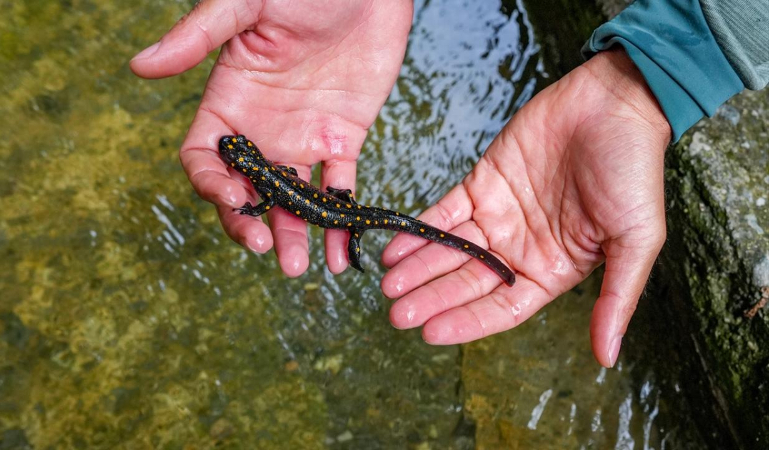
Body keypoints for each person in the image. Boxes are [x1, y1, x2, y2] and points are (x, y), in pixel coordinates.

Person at [130, 0, 768, 368]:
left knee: (355, 224)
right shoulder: (266, 175)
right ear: (250, 160)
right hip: (334, 206)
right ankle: (355, 238)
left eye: (239, 154)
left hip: (332, 206)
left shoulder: (264, 179)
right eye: (242, 155)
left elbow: (267, 194)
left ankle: (353, 242)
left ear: (246, 162)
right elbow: (271, 189)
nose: (242, 156)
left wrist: (263, 194)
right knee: (353, 220)